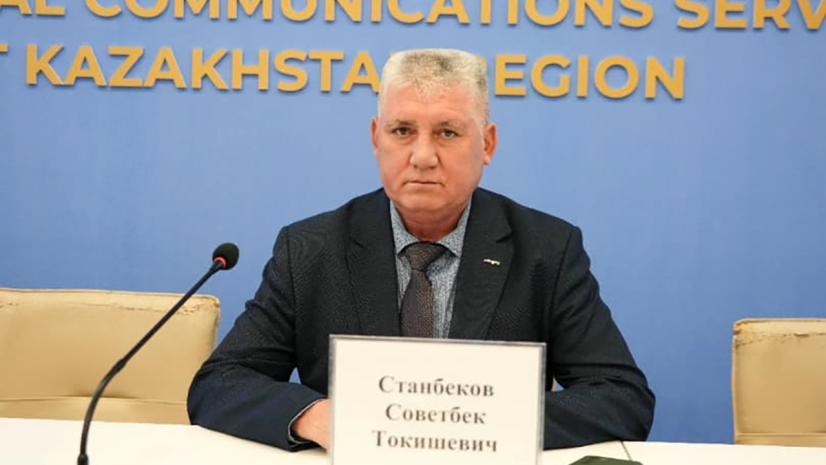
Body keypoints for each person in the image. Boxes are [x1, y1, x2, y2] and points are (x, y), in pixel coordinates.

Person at [187, 48, 655, 451]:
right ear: (376, 138)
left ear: (487, 144)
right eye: (402, 131)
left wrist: (481, 423)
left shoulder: (546, 249)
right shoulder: (310, 249)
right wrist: (314, 416)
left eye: (448, 132)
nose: (423, 156)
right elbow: (219, 384)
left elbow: (622, 397)